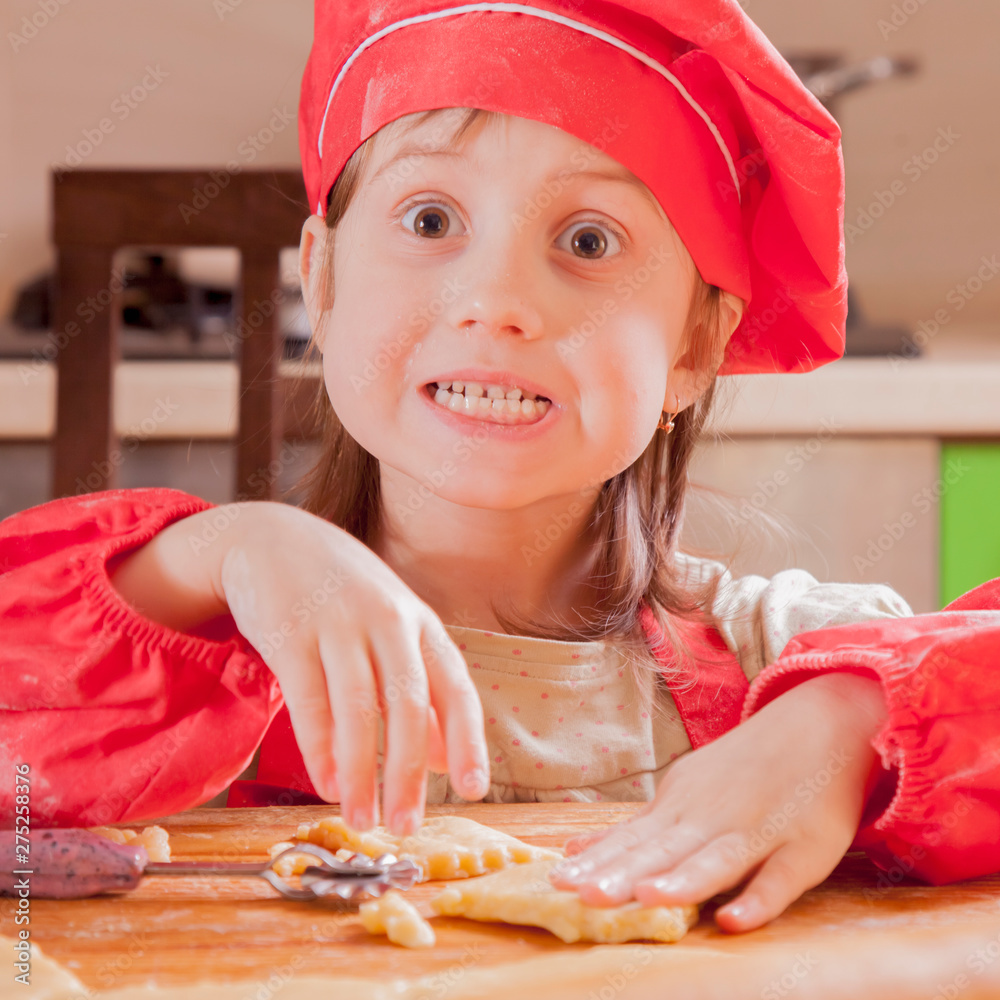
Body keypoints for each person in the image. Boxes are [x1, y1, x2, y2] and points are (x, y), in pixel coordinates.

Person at [2, 0, 999, 934]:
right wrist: (210, 557)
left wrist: (857, 715)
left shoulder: (779, 660)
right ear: (323, 275)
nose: (496, 299)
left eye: (587, 239)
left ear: (694, 346)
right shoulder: (191, 650)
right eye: (430, 220)